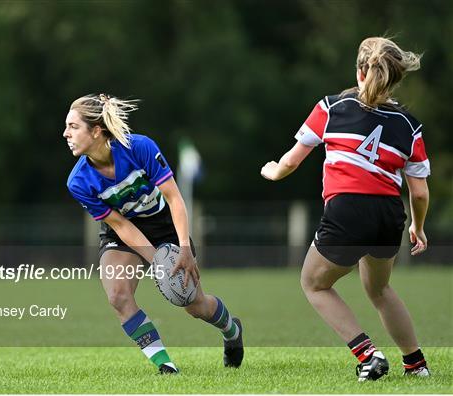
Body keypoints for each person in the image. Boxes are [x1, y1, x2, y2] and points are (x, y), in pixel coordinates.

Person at [261, 37, 431, 381]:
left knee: (313, 283)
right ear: (394, 77)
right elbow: (421, 193)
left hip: (348, 210)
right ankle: (416, 364)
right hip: (388, 215)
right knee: (380, 289)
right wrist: (418, 225)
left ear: (360, 72)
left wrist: (273, 170)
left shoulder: (331, 108)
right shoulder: (409, 125)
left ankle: (368, 355)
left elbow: (291, 162)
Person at [64, 94, 243, 374]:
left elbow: (174, 198)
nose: (66, 133)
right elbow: (121, 225)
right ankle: (165, 366)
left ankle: (232, 330)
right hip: (123, 232)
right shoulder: (78, 181)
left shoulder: (139, 147)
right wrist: (159, 262)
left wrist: (183, 248)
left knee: (194, 305)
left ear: (96, 130)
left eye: (73, 126)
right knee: (118, 295)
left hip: (165, 225)